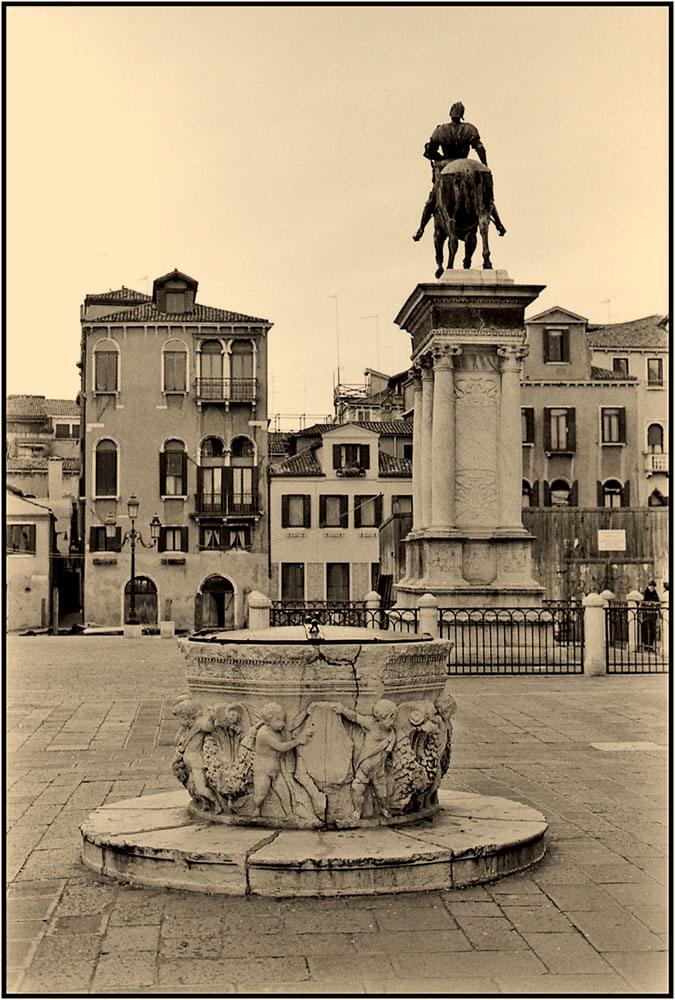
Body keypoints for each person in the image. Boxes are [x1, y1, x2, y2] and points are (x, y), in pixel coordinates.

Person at [413, 101, 506, 242]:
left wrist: (441, 158)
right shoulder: (470, 129)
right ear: (462, 115)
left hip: (446, 166)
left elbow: (429, 152)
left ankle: (421, 229)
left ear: (451, 114)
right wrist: (484, 164)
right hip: (468, 163)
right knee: (485, 199)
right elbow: (479, 148)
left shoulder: (440, 130)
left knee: (433, 199)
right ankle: (499, 224)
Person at [334, 699, 398, 820]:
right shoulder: (371, 724)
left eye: (394, 718)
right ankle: (357, 810)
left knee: (382, 793)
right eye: (391, 718)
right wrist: (343, 710)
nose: (393, 722)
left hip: (379, 770)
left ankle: (384, 808)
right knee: (357, 788)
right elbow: (355, 717)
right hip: (365, 767)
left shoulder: (391, 734)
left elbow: (386, 754)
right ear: (380, 718)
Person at [640, 581, 660, 650]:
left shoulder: (655, 593)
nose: (652, 588)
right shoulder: (645, 593)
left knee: (652, 630)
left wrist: (654, 603)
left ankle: (651, 646)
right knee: (645, 629)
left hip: (653, 614)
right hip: (646, 614)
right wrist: (649, 603)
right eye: (651, 586)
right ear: (648, 586)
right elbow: (642, 602)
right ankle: (645, 645)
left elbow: (658, 601)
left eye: (653, 587)